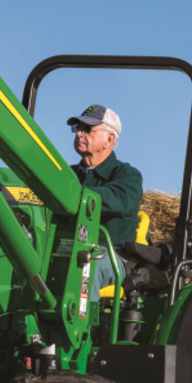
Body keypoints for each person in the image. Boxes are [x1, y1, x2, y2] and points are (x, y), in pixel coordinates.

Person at [68, 104, 143, 293]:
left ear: (109, 139)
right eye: (77, 128)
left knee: (85, 268)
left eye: (87, 129)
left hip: (109, 255)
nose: (78, 134)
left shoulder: (128, 176)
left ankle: (81, 323)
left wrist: (68, 193)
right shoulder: (68, 175)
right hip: (66, 248)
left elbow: (113, 199)